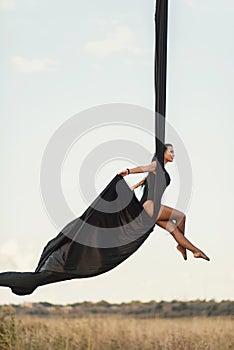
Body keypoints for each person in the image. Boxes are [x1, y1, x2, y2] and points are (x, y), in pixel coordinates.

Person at [118, 144, 210, 261]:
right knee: (181, 217)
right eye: (171, 152)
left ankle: (193, 250)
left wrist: (133, 187)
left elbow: (144, 181)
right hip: (150, 206)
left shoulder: (158, 171)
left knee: (174, 229)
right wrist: (128, 171)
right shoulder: (157, 165)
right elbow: (144, 168)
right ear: (163, 153)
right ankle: (183, 246)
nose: (173, 155)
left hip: (151, 209)